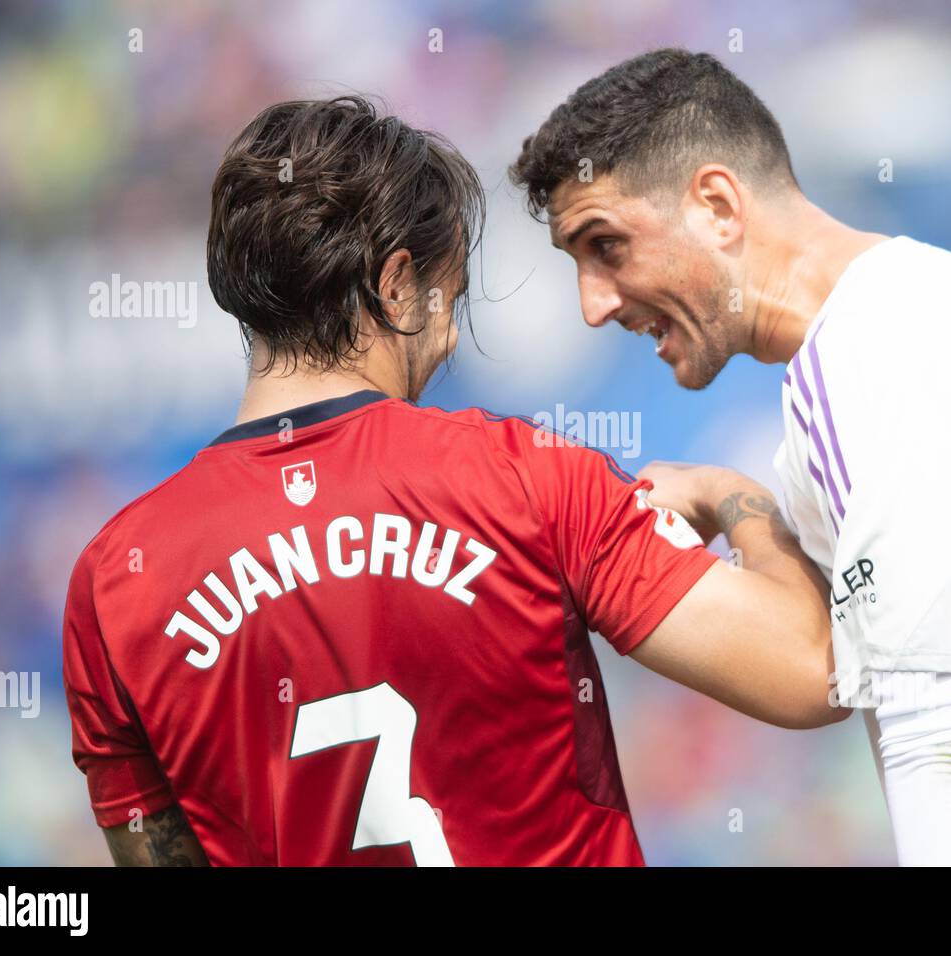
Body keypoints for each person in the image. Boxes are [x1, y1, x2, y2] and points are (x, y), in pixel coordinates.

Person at [62, 96, 844, 867]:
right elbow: (811, 671)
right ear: (398, 284)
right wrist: (732, 500)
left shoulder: (115, 582)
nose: (444, 346)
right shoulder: (525, 480)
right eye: (451, 302)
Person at [510, 48, 951, 865]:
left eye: (605, 245)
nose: (593, 304)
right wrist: (733, 499)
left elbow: (934, 721)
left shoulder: (852, 360)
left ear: (717, 205)